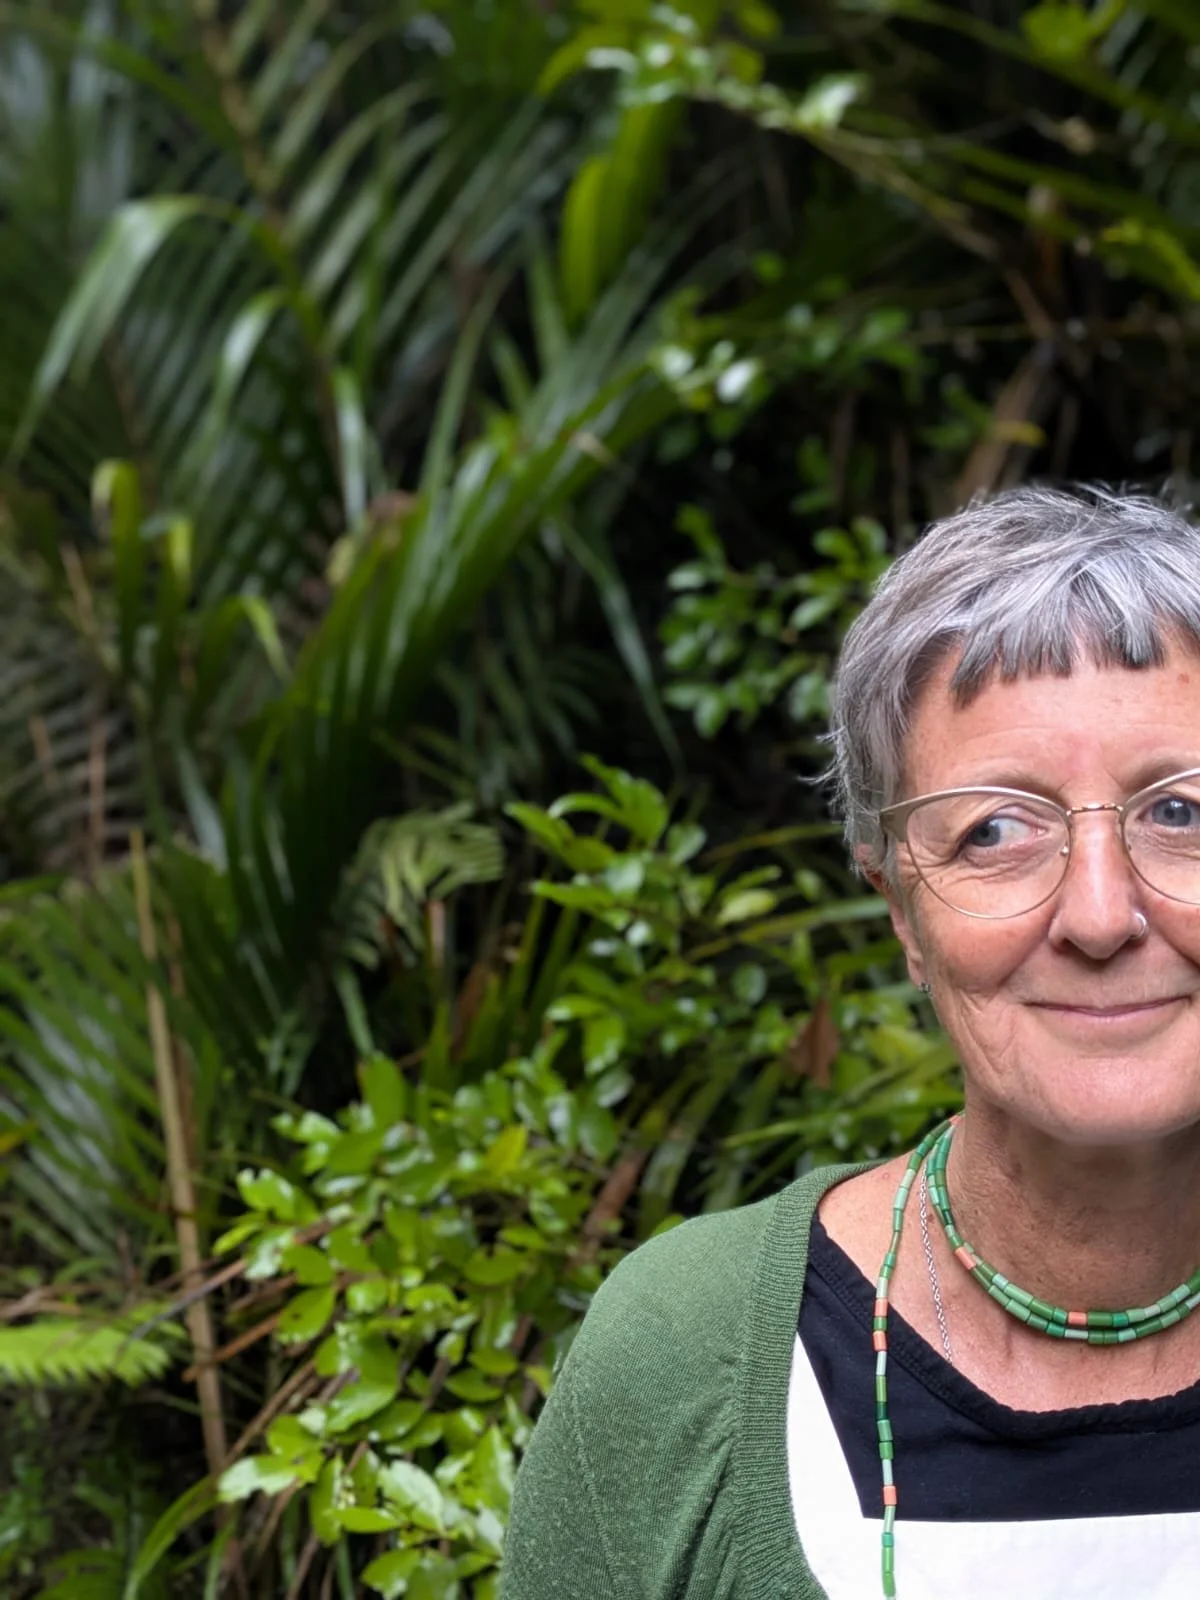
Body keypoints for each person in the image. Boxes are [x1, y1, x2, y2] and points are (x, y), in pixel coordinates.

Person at [499, 486, 1200, 1600]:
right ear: (901, 914)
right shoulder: (679, 1355)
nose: (1101, 916)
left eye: (1180, 812)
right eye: (995, 831)